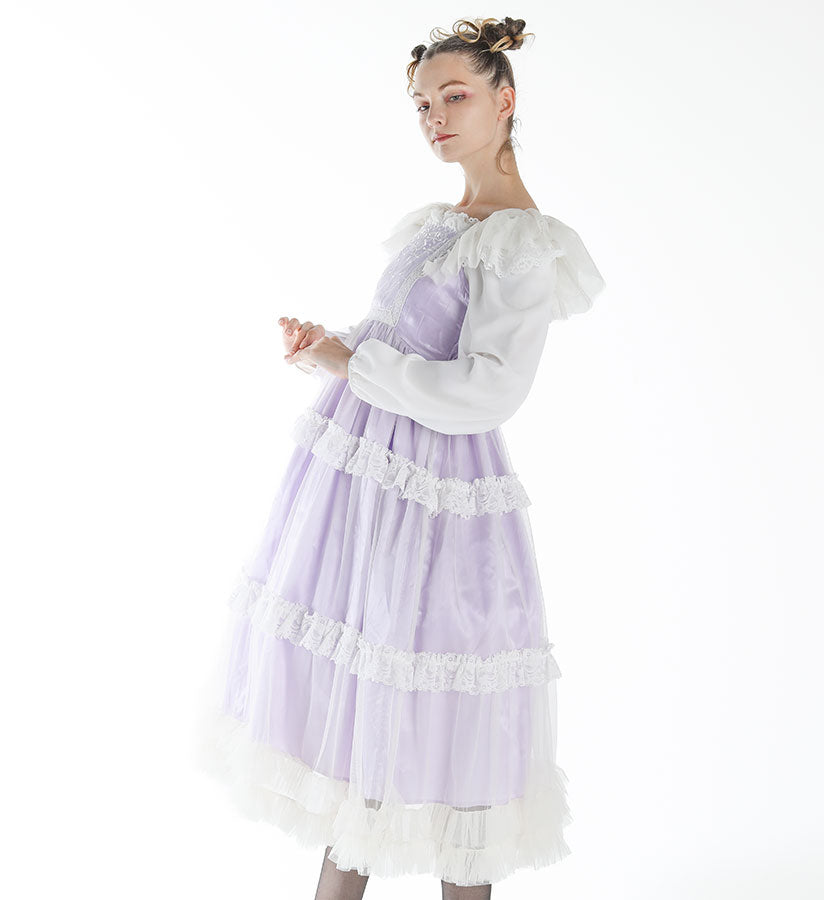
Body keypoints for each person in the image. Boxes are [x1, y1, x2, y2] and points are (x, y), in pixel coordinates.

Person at [193, 16, 606, 900]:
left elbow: (489, 389)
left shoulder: (518, 240)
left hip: (437, 502)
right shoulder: (444, 223)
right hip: (368, 491)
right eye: (422, 104)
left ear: (505, 99)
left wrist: (354, 366)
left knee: (441, 715)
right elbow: (402, 340)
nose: (435, 117)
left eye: (455, 96)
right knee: (363, 709)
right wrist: (332, 347)